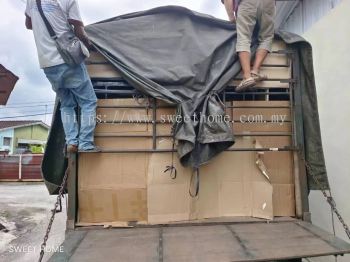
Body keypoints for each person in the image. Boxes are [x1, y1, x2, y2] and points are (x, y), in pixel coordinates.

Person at [25, 0, 99, 153]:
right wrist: (89, 45)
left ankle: (71, 142)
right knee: (88, 102)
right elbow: (79, 30)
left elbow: (29, 24)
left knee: (66, 104)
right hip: (67, 60)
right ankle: (85, 143)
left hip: (47, 63)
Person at [222, 0, 276, 92]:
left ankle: (247, 77)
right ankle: (255, 72)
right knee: (267, 37)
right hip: (269, 3)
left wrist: (231, 17)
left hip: (247, 3)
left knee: (244, 38)